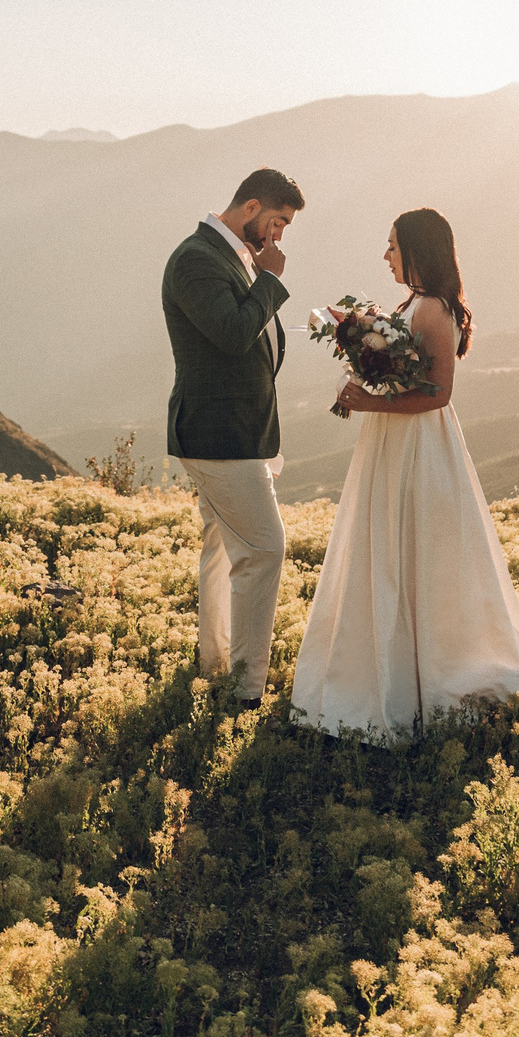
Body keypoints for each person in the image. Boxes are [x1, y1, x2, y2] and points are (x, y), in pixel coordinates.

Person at [289, 207, 519, 741]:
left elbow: (438, 394)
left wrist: (370, 403)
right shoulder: (412, 302)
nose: (385, 256)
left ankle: (427, 677)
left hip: (418, 444)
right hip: (392, 442)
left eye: (392, 246)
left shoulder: (433, 309)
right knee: (386, 547)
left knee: (416, 552)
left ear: (417, 249)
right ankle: (387, 671)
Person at [161, 168, 304, 708]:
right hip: (218, 435)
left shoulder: (228, 256)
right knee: (265, 549)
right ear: (250, 208)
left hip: (234, 430)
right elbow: (231, 333)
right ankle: (244, 689)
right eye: (278, 221)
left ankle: (215, 663)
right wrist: (269, 280)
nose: (279, 234)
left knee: (221, 548)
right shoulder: (197, 258)